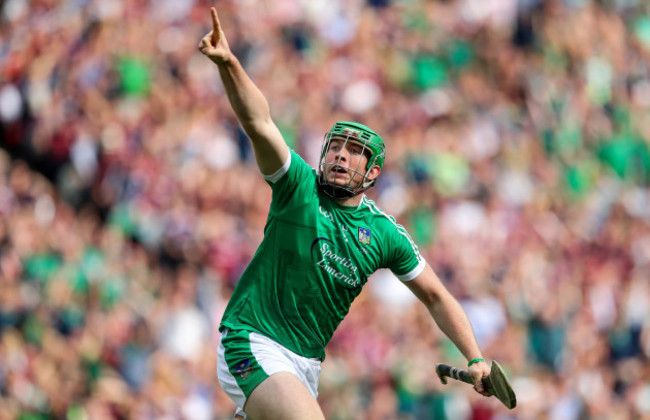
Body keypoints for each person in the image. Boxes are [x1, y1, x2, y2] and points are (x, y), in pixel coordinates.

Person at [198, 6, 492, 420]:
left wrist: (475, 356)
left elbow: (436, 295)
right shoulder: (296, 185)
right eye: (336, 146)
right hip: (251, 340)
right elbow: (259, 123)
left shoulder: (383, 233)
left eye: (354, 152)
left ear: (372, 173)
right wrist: (230, 65)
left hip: (306, 366)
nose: (340, 155)